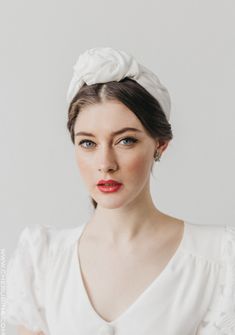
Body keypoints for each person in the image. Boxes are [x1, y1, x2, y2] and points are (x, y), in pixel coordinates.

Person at [5, 47, 235, 335]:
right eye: (88, 143)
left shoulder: (218, 259)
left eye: (125, 141)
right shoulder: (42, 258)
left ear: (160, 144)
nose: (105, 164)